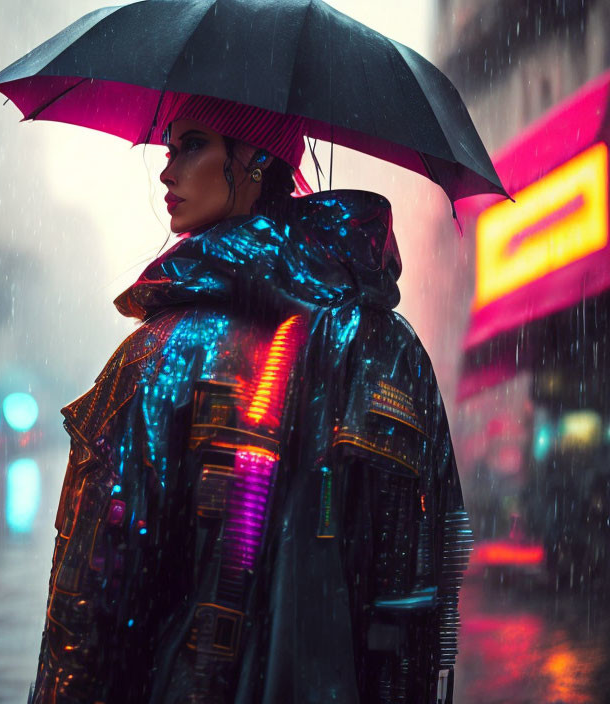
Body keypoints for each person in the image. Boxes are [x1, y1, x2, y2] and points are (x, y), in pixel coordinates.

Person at [29, 94, 472, 704]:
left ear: (256, 159)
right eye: (170, 148)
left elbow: (93, 608)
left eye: (191, 144)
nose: (167, 169)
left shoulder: (163, 355)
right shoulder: (393, 349)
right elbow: (427, 587)